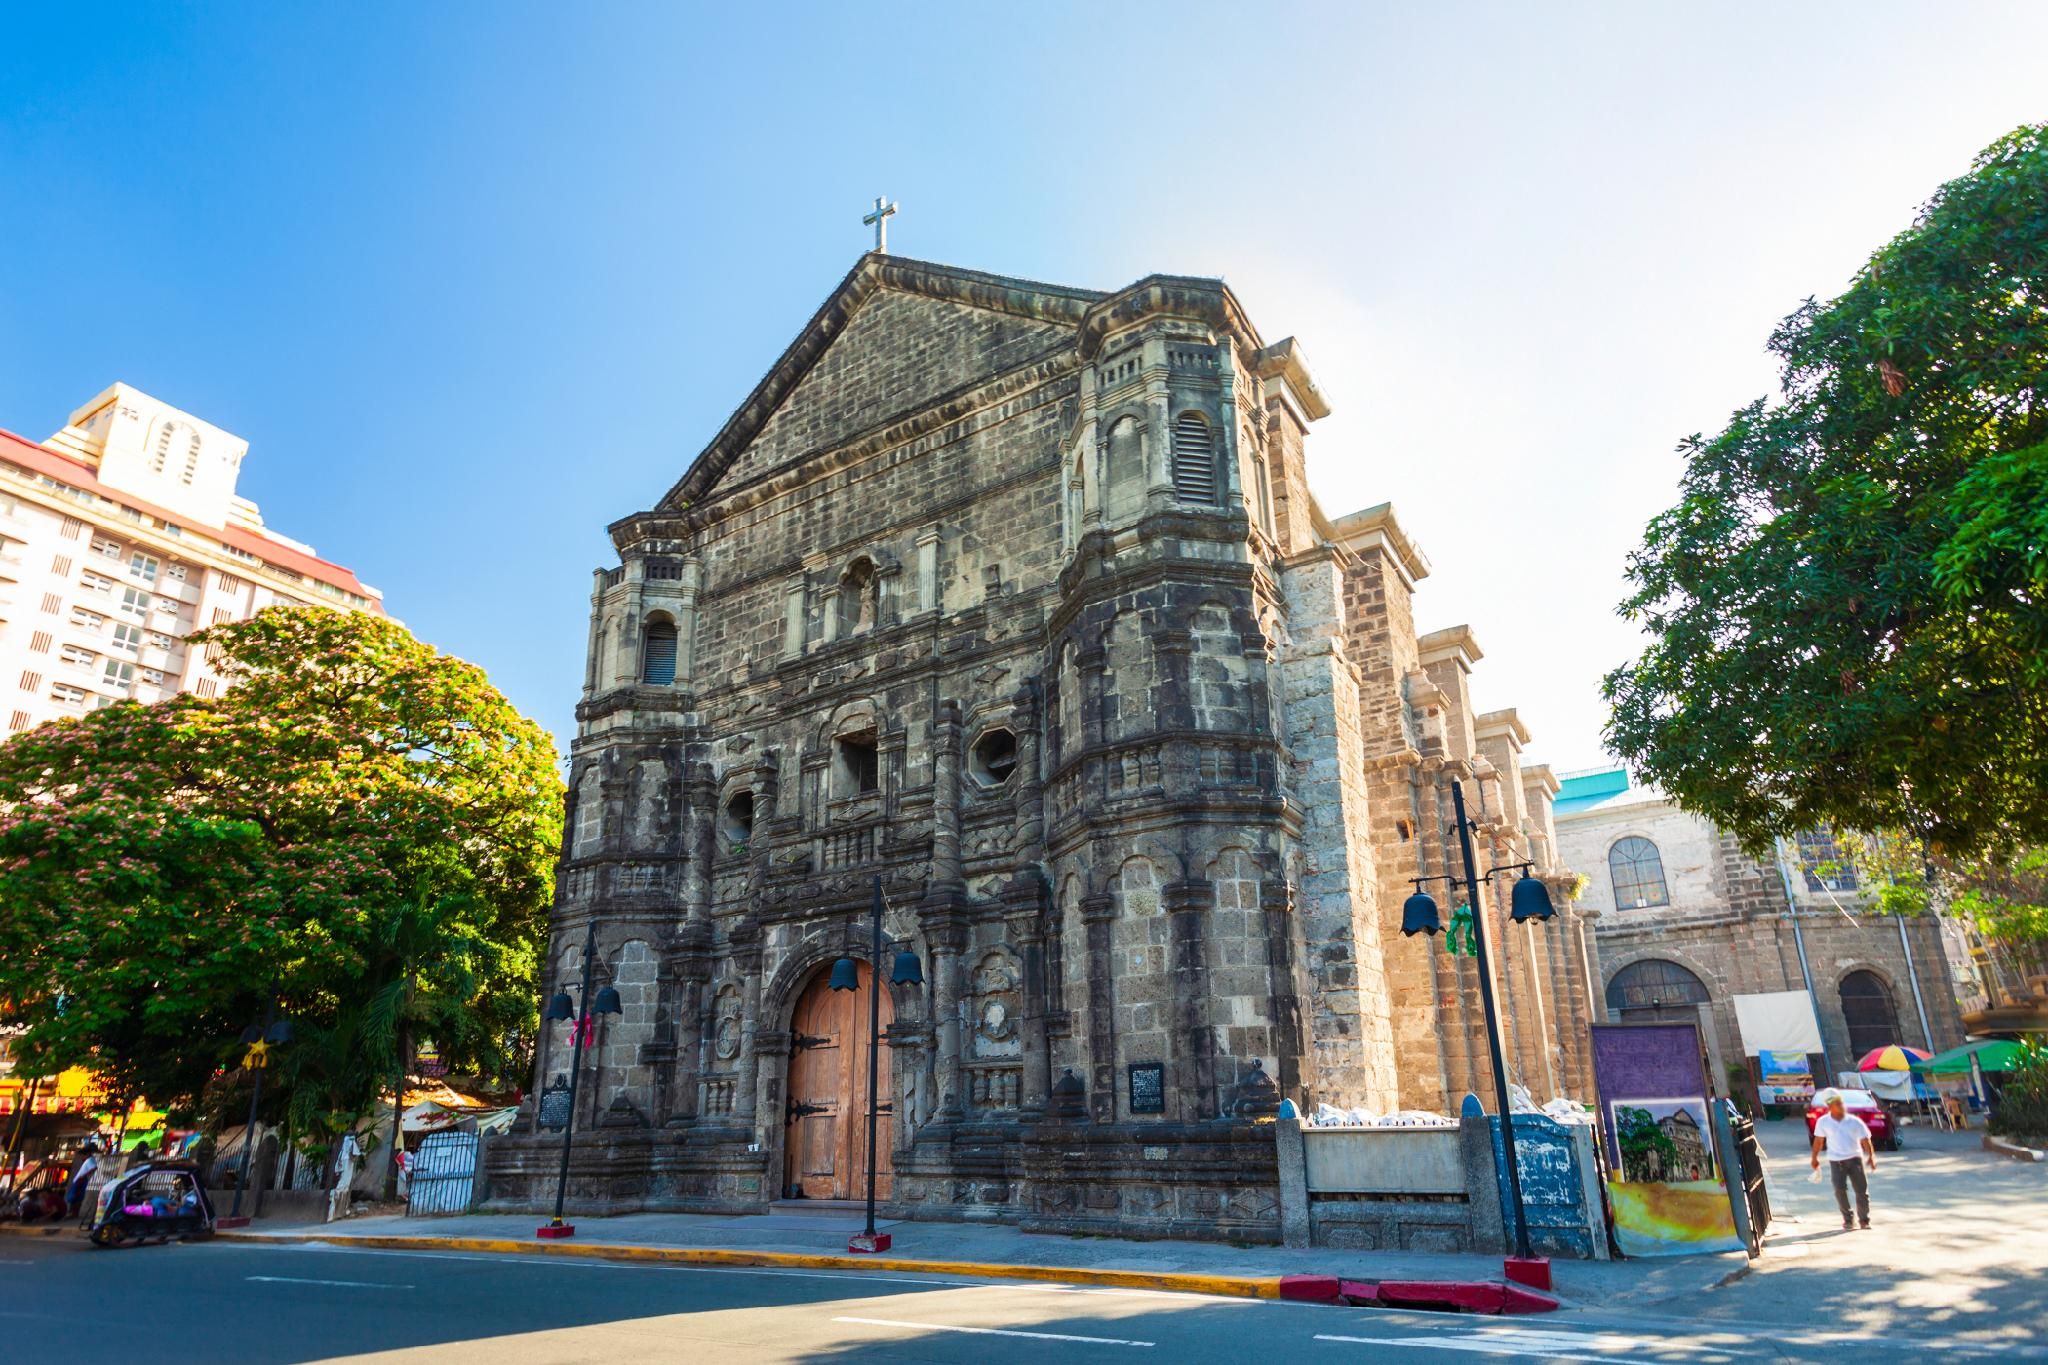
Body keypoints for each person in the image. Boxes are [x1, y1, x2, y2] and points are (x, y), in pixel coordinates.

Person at [1810, 1090, 1878, 1230]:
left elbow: (1866, 1140)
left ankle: (1864, 1220)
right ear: (1830, 1106)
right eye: (1838, 1104)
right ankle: (1848, 1219)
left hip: (1855, 1159)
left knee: (1861, 1191)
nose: (1842, 1106)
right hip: (1836, 1162)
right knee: (1839, 1190)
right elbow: (1818, 1141)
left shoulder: (1854, 1121)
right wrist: (1814, 1158)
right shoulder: (1823, 1122)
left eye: (1842, 1103)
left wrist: (1871, 1156)